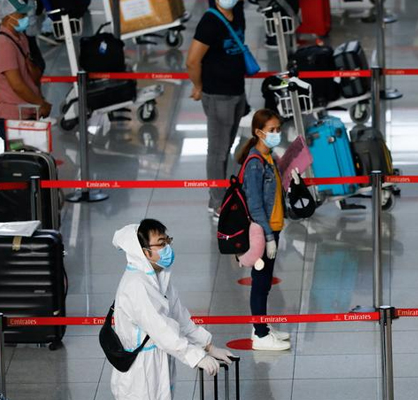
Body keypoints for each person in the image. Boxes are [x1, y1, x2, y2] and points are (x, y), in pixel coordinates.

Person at [110, 219, 235, 400]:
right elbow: (162, 330)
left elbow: (179, 317)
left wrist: (208, 346)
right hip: (140, 370)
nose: (167, 247)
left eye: (167, 241)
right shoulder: (137, 284)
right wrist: (196, 356)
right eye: (161, 244)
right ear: (145, 252)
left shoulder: (159, 276)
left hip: (158, 361)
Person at [187, 0, 247, 220]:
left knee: (226, 147)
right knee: (218, 151)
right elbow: (192, 61)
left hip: (237, 92)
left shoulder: (238, 14)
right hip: (218, 95)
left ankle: (221, 195)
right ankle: (218, 203)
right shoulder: (210, 22)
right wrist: (199, 86)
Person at [237, 109, 291, 351]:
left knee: (266, 281)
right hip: (262, 230)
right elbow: (255, 204)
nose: (276, 134)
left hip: (274, 227)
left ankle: (263, 326)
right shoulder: (255, 163)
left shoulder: (270, 157)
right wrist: (268, 237)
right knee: (260, 282)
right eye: (271, 130)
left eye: (278, 129)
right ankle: (259, 334)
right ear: (258, 132)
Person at [0, 0, 51, 140]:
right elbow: (17, 85)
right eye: (20, 14)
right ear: (7, 17)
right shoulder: (3, 44)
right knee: (20, 159)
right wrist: (40, 103)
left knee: (33, 158)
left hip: (27, 114)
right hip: (12, 119)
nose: (25, 17)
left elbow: (33, 76)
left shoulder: (21, 38)